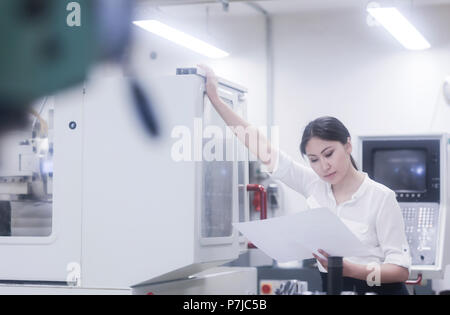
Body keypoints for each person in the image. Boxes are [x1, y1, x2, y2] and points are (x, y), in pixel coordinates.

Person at [198, 64, 412, 295]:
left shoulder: (380, 197)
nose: (324, 166)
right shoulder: (313, 185)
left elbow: (400, 270)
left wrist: (352, 270)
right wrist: (216, 101)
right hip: (332, 288)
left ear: (347, 145)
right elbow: (261, 147)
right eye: (314, 159)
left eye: (329, 154)